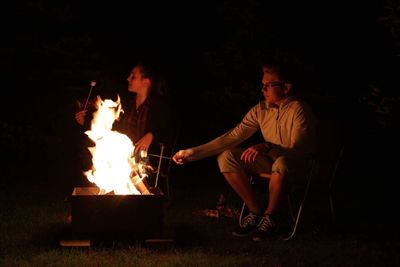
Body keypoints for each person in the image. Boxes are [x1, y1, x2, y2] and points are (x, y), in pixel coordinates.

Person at [172, 58, 316, 241]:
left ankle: (270, 218)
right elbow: (231, 137)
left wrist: (267, 146)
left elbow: (299, 150)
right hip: (273, 163)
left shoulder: (299, 110)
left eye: (269, 85)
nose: (263, 90)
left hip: (300, 166)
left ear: (286, 87)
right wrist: (192, 153)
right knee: (227, 157)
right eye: (262, 85)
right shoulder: (261, 110)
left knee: (282, 162)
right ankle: (255, 211)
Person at [74, 61, 174, 186]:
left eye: (133, 76)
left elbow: (169, 132)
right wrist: (85, 123)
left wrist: (151, 135)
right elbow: (110, 131)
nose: (128, 78)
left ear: (146, 81)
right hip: (123, 155)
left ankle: (143, 192)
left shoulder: (158, 105)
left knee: (134, 161)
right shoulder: (126, 105)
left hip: (147, 158)